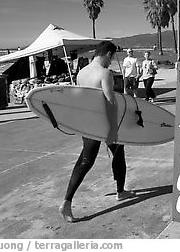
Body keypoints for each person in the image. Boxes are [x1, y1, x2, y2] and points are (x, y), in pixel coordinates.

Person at [59, 41, 136, 223]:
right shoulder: (104, 73)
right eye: (112, 57)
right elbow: (111, 103)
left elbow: (82, 100)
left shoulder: (82, 72)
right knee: (115, 154)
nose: (111, 62)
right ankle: (119, 192)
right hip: (103, 124)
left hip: (88, 124)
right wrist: (111, 130)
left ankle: (68, 201)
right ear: (108, 54)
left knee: (86, 160)